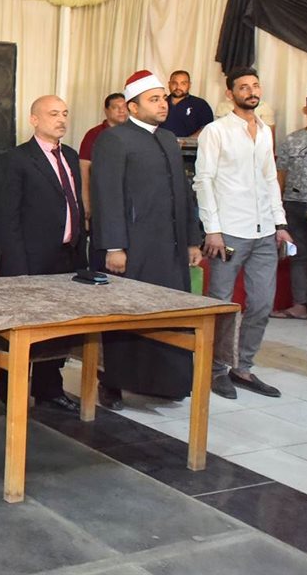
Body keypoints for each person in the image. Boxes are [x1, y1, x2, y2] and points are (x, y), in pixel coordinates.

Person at [90, 70, 201, 411]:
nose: (163, 104)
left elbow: (183, 193)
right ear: (133, 107)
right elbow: (106, 195)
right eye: (154, 99)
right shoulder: (114, 139)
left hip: (170, 248)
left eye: (163, 98)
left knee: (169, 315)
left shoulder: (167, 139)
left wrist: (192, 240)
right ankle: (112, 383)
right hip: (135, 249)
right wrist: (114, 247)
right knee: (128, 319)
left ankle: (165, 385)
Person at [194, 68, 291, 400]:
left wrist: (280, 225)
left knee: (262, 303)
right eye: (244, 87)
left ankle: (243, 367)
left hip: (264, 231)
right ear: (230, 94)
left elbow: (269, 179)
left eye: (255, 86)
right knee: (221, 305)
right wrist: (212, 230)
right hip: (228, 232)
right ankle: (215, 369)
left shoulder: (264, 131)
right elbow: (203, 181)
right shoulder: (216, 131)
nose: (251, 91)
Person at [0, 95, 85, 413]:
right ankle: (11, 392)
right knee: (23, 328)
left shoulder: (70, 156)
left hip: (66, 257)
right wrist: (19, 266)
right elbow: (8, 216)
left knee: (58, 328)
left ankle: (49, 388)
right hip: (30, 260)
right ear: (34, 119)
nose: (61, 119)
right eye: (53, 114)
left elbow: (75, 203)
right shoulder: (18, 158)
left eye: (64, 113)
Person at [274, 92, 307, 319]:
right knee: (299, 254)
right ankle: (300, 304)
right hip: (295, 203)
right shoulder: (292, 140)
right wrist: (277, 205)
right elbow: (280, 174)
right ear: (305, 110)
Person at [77, 92, 126, 225]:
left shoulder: (134, 134)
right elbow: (84, 168)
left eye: (124, 107)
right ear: (106, 111)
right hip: (101, 199)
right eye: (116, 107)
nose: (122, 111)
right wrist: (86, 201)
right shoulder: (94, 134)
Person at [159, 70, 213, 139]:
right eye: (174, 83)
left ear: (189, 85)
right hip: (160, 143)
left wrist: (187, 141)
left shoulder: (200, 104)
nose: (178, 87)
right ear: (169, 84)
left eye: (183, 83)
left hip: (189, 145)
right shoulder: (160, 103)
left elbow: (207, 128)